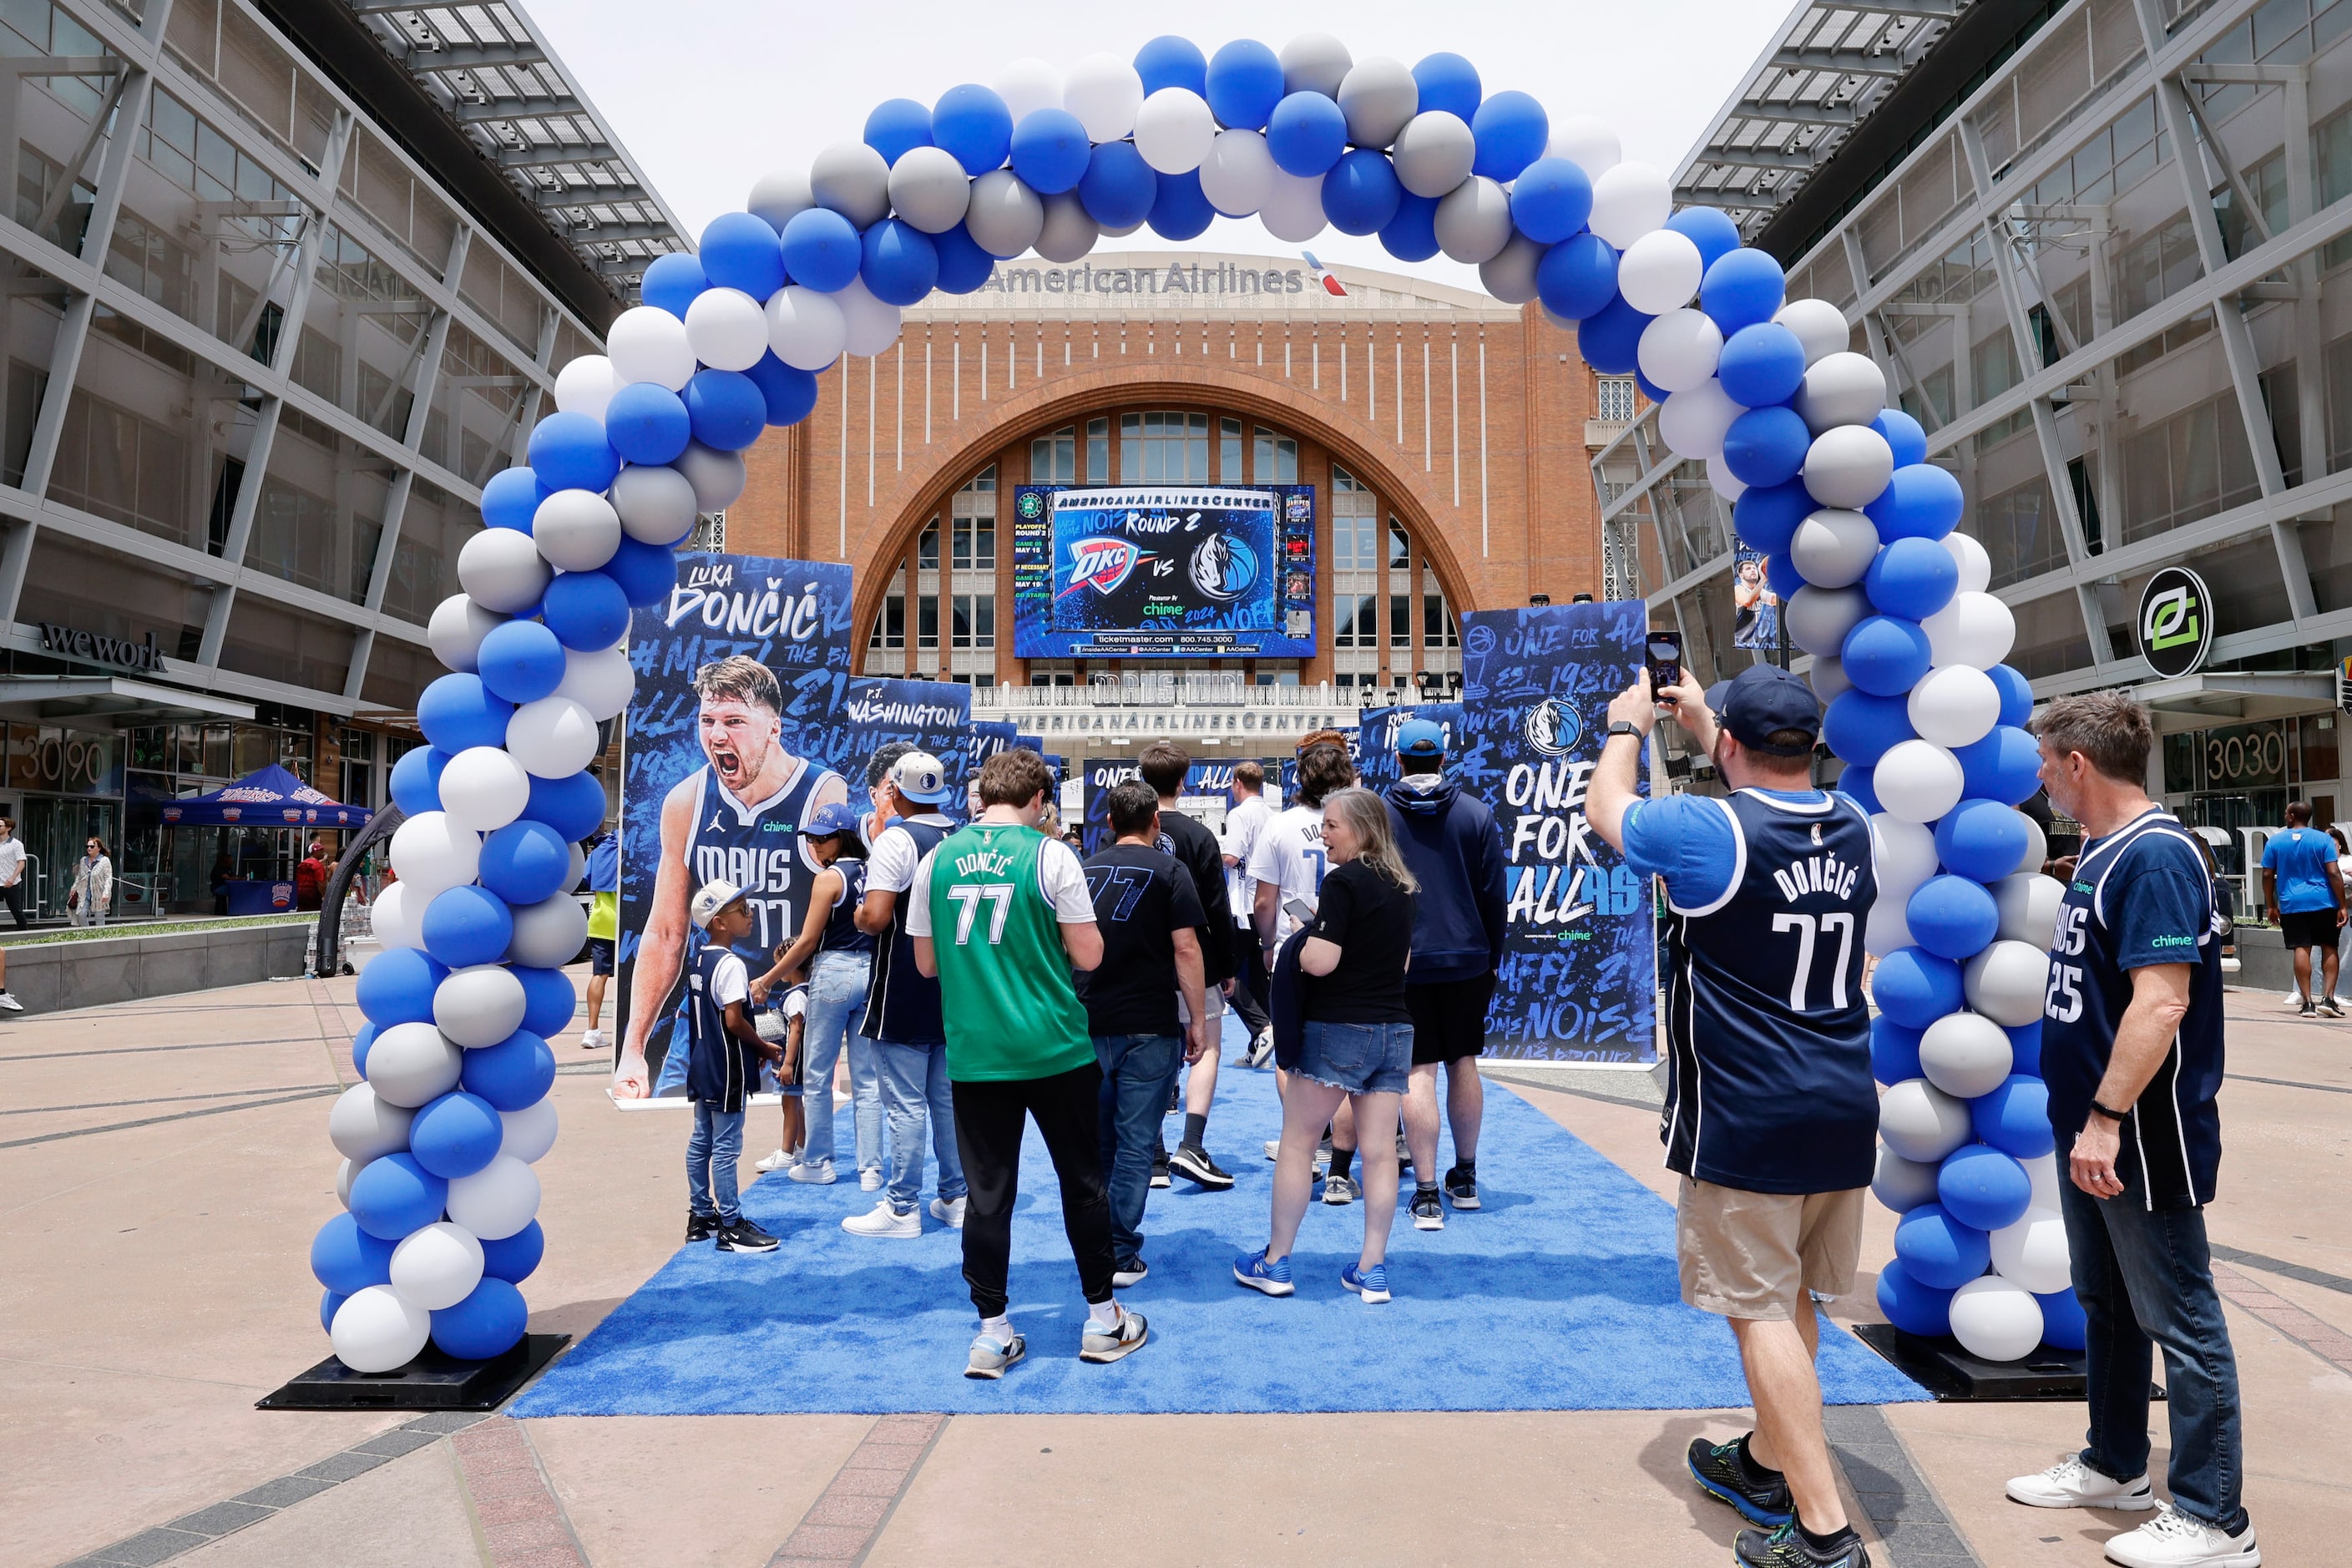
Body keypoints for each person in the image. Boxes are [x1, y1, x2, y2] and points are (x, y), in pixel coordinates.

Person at [1587, 663, 1878, 1568]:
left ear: (1736, 749)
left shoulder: (1709, 829)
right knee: (1788, 1294)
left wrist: (1629, 727)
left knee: (1753, 1305)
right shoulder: (1856, 826)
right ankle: (1763, 1457)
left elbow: (1609, 812)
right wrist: (1713, 720)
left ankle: (1825, 1530)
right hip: (1840, 1096)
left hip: (1749, 1105)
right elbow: (1760, 773)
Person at [2006, 691, 2258, 1568]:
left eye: (2046, 764)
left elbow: (2163, 1003)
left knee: (2181, 1317)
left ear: (2079, 764)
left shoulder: (2153, 858)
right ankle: (2117, 1463)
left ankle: (2216, 1517)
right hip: (2094, 1128)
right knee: (2107, 1307)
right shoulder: (2104, 854)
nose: (2040, 779)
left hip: (2140, 1133)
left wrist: (2107, 1118)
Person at [907, 748, 1149, 1378]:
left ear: (982, 795)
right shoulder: (1049, 854)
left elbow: (927, 965)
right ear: (1040, 800)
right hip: (1054, 1048)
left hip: (977, 1052)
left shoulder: (936, 860)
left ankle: (991, 1333)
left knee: (987, 1199)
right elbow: (1089, 956)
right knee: (1083, 1184)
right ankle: (1101, 1318)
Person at [615, 656, 848, 1098]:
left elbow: (837, 932)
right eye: (708, 720)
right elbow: (666, 932)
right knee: (677, 1125)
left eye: (734, 721)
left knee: (785, 1140)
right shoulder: (686, 802)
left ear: (774, 729)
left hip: (785, 1008)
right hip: (711, 1004)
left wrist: (827, 1045)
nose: (717, 734)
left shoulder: (822, 794)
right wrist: (632, 1049)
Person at [1234, 785, 1417, 1304]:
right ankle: (1372, 1269)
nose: (1324, 834)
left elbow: (1321, 962)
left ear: (1359, 830)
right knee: (1381, 1155)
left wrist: (1304, 935)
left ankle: (1275, 1262)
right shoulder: (1404, 888)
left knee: (1297, 1143)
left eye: (1332, 825)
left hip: (1339, 1028)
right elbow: (1402, 966)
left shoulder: (1343, 881)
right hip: (1394, 1030)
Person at [1080, 779, 1214, 1287]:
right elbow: (1186, 950)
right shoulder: (1171, 869)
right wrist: (1197, 1019)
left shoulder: (1083, 869)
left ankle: (1098, 1243)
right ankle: (1119, 1249)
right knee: (1137, 1142)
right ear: (1155, 822)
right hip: (1150, 1023)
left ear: (1109, 823)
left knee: (1099, 1141)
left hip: (1088, 1020)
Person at [1382, 718, 1507, 1228]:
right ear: (1444, 758)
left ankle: (1428, 1191)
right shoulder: (1477, 815)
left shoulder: (1378, 816)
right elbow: (1494, 897)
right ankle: (1467, 1176)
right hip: (1467, 959)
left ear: (1398, 758)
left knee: (1418, 1072)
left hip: (1403, 963)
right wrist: (1489, 956)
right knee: (1464, 1062)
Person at [842, 750, 968, 1237]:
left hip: (903, 984)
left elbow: (874, 918)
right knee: (945, 1099)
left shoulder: (898, 839)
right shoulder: (960, 837)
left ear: (894, 790)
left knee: (907, 1103)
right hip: (954, 986)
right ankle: (955, 1196)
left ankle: (901, 1207)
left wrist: (856, 915)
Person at [1248, 734, 1362, 1196]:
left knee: (1291, 1047)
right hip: (1351, 948)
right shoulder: (1359, 823)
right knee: (1347, 1053)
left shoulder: (1280, 826)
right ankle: (1338, 1160)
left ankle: (1304, 1139)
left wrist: (1266, 943)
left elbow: (1263, 901)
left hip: (1297, 945)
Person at [751, 802, 883, 1188]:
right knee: (867, 1079)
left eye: (822, 837)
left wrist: (767, 979)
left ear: (842, 837)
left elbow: (808, 940)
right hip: (871, 970)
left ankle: (819, 1161)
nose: (814, 844)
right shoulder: (873, 870)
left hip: (836, 971)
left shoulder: (828, 879)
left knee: (818, 1073)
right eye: (811, 837)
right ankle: (871, 1168)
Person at [1137, 743, 1237, 1190]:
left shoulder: (1126, 830)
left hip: (1142, 959)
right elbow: (1218, 906)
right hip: (1196, 956)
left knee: (1153, 1053)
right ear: (1183, 781)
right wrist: (1230, 963)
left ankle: (1154, 1153)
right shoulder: (1199, 837)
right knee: (1208, 1047)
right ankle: (1190, 1144)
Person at [680, 878, 783, 1254]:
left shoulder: (700, 959)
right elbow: (734, 1021)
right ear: (720, 922)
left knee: (701, 1140)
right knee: (725, 1147)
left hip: (704, 1065)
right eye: (742, 909)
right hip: (727, 1070)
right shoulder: (731, 964)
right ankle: (730, 1224)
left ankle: (701, 1214)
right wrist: (766, 1047)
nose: (750, 914)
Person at [2258, 801, 2344, 1015]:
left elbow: (2267, 874)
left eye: (2286, 812)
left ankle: (2307, 1003)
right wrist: (2342, 904)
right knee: (2329, 946)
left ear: (2292, 816)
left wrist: (2271, 905)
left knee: (2301, 947)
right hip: (2324, 901)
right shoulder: (2323, 839)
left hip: (2292, 903)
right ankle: (2328, 999)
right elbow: (2334, 873)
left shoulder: (2275, 842)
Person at [1222, 761, 1275, 1060]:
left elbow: (1231, 857)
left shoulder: (1240, 814)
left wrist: (1210, 854)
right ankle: (1263, 1040)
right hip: (1266, 903)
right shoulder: (1271, 814)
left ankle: (1262, 1028)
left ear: (1238, 782)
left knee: (1227, 974)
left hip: (1244, 904)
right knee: (1259, 974)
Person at [581, 827, 620, 1053]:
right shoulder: (635, 847)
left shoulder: (600, 849)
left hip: (601, 920)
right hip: (628, 920)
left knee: (599, 975)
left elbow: (587, 879)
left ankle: (592, 1030)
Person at [68, 837, 111, 928]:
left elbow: (108, 878)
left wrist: (106, 893)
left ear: (98, 848)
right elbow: (79, 877)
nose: (89, 849)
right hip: (84, 893)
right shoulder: (83, 860)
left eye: (92, 846)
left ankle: (100, 938)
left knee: (99, 917)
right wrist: (74, 888)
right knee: (81, 914)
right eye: (87, 846)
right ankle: (87, 933)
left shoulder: (105, 861)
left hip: (99, 893)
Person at [0, 817, 27, 928]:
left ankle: (25, 933)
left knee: (16, 911)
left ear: (8, 828)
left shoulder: (16, 844)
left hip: (11, 883)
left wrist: (12, 877)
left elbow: (21, 863)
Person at [295, 840, 328, 912]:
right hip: (313, 895)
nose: (323, 853)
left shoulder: (302, 864)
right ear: (316, 852)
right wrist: (324, 896)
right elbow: (320, 883)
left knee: (301, 914)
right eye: (321, 851)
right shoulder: (318, 866)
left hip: (300, 894)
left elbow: (298, 879)